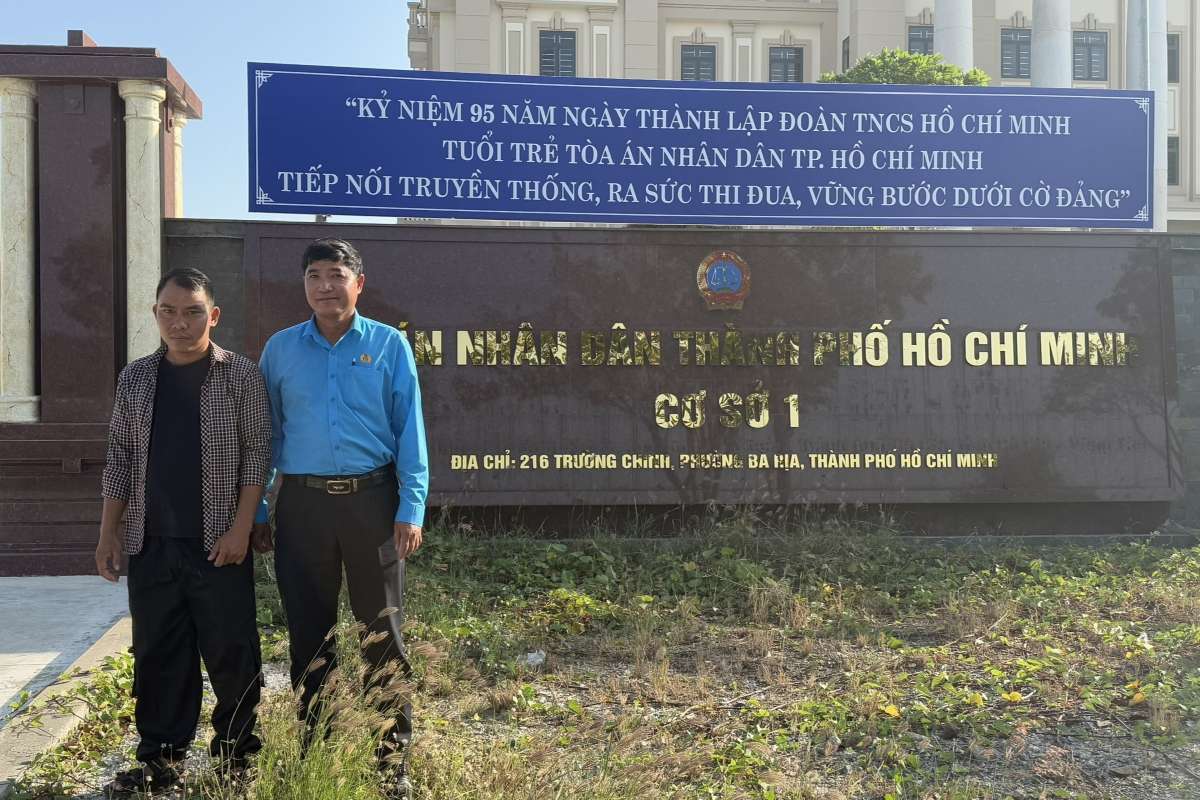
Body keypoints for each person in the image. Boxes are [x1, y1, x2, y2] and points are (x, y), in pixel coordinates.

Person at [253, 238, 428, 797]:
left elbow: (410, 431)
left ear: (359, 283)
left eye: (336, 274)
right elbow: (266, 437)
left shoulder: (389, 345)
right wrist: (259, 508)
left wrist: (410, 507)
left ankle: (390, 761)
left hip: (372, 504)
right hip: (301, 506)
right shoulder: (280, 350)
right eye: (314, 275)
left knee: (382, 630)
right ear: (303, 285)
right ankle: (317, 750)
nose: (325, 285)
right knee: (309, 632)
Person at [96, 268, 271, 797]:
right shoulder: (136, 378)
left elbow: (257, 456)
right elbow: (120, 460)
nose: (180, 322)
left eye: (193, 311)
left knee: (231, 652)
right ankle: (160, 758)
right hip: (152, 542)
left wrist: (242, 529)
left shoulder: (239, 375)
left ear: (213, 315)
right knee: (157, 654)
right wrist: (109, 533)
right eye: (168, 311)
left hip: (219, 543)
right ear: (155, 315)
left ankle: (236, 756)